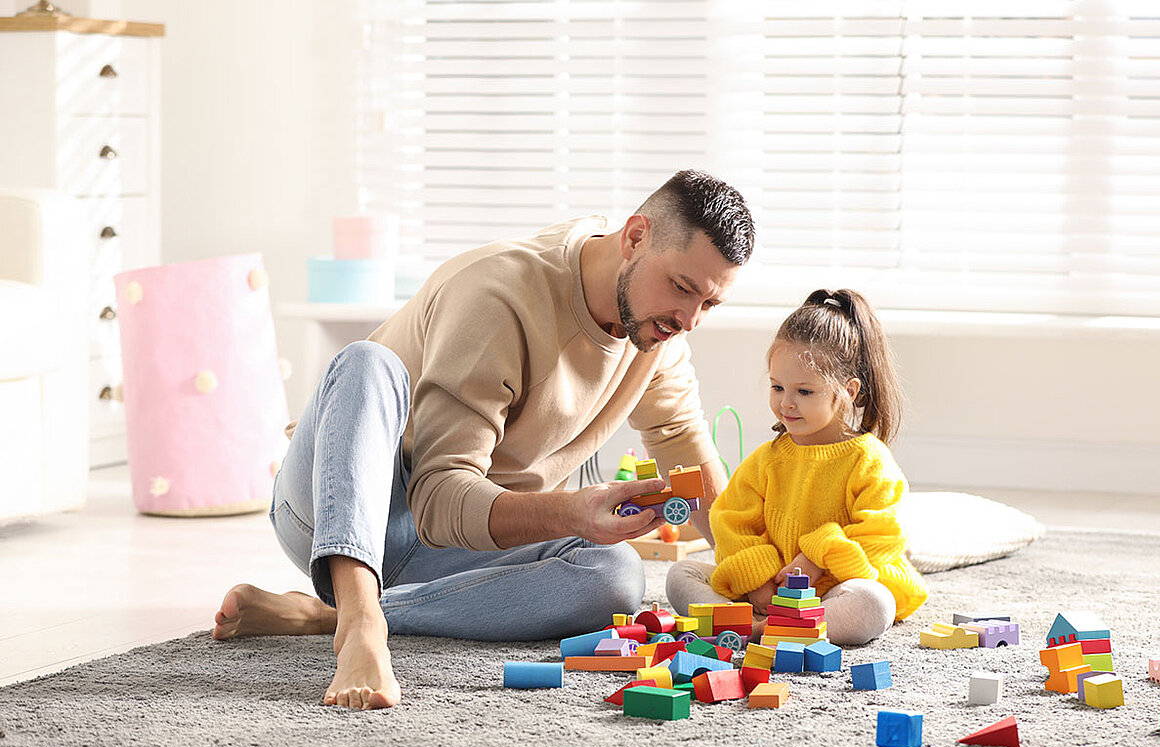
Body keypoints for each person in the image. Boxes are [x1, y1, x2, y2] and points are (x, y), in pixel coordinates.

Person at [212, 170, 756, 710]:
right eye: (682, 288)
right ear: (635, 237)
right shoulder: (497, 293)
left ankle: (325, 614)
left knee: (615, 575)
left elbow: (687, 449)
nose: (688, 320)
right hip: (343, 504)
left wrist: (751, 571)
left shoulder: (658, 331)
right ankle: (356, 620)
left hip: (461, 540)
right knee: (366, 363)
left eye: (709, 304)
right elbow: (438, 498)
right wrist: (571, 511)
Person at [666, 288, 929, 645]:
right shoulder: (767, 459)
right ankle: (770, 628)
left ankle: (756, 630)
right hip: (768, 594)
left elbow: (882, 535)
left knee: (874, 603)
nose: (786, 403)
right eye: (777, 387)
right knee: (681, 574)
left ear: (849, 391)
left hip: (834, 593)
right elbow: (730, 521)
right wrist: (757, 578)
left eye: (804, 392)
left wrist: (817, 556)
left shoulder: (869, 459)